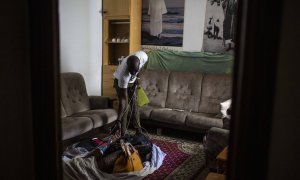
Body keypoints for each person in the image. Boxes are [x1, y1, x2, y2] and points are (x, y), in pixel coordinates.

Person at [112, 51, 148, 137]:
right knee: (126, 107)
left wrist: (135, 79)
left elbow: (138, 70)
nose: (134, 73)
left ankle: (138, 131)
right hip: (119, 82)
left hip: (132, 82)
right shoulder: (123, 76)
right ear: (128, 67)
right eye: (132, 72)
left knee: (135, 104)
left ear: (139, 63)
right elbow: (123, 100)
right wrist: (118, 120)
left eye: (135, 71)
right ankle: (122, 133)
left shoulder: (144, 56)